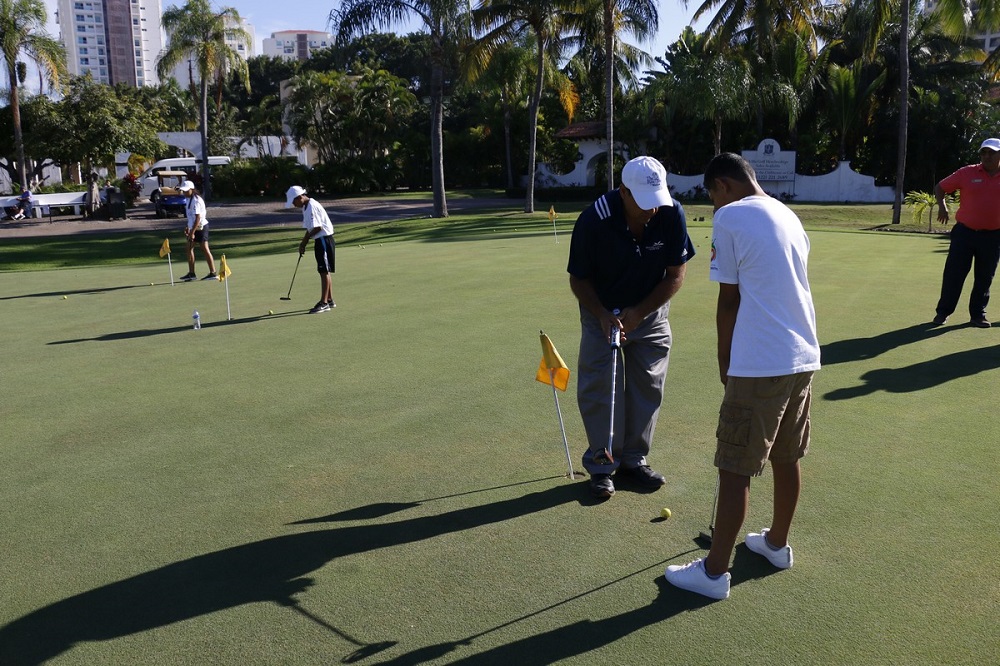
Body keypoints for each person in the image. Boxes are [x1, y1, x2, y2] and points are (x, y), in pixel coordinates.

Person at [665, 152, 821, 600]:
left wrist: (724, 358)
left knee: (734, 467)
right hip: (802, 355)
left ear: (724, 185)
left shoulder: (730, 216)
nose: (714, 204)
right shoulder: (788, 214)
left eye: (713, 195)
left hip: (760, 362)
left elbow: (729, 298)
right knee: (786, 456)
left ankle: (714, 574)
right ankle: (776, 544)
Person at [566, 156, 695, 499]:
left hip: (650, 312)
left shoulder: (671, 213)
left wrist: (639, 313)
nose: (652, 210)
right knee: (600, 388)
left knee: (648, 385)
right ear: (623, 192)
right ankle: (602, 466)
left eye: (657, 200)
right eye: (643, 201)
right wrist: (601, 313)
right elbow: (578, 279)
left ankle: (634, 461)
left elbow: (676, 274)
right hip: (602, 311)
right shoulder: (594, 219)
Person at [932, 137, 1000, 328]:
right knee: (954, 274)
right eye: (983, 152)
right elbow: (940, 187)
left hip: (993, 236)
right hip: (965, 233)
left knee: (984, 277)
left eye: (992, 153)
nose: (987, 156)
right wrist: (942, 207)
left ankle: (978, 315)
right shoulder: (966, 172)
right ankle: (943, 312)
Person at [286, 185, 336, 313]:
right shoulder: (306, 206)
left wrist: (304, 242)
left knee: (324, 271)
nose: (293, 205)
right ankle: (329, 300)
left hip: (324, 240)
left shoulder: (311, 206)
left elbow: (318, 227)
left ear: (299, 197)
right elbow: (310, 229)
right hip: (321, 240)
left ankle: (324, 303)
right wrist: (303, 243)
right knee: (324, 271)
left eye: (293, 201)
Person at [178, 180, 216, 281]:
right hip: (194, 227)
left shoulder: (196, 200)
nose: (184, 192)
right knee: (188, 248)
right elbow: (191, 217)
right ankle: (192, 274)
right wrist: (188, 227)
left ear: (192, 189)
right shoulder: (188, 199)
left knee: (205, 248)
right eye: (183, 191)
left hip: (201, 227)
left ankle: (213, 273)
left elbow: (198, 218)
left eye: (186, 190)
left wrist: (192, 232)